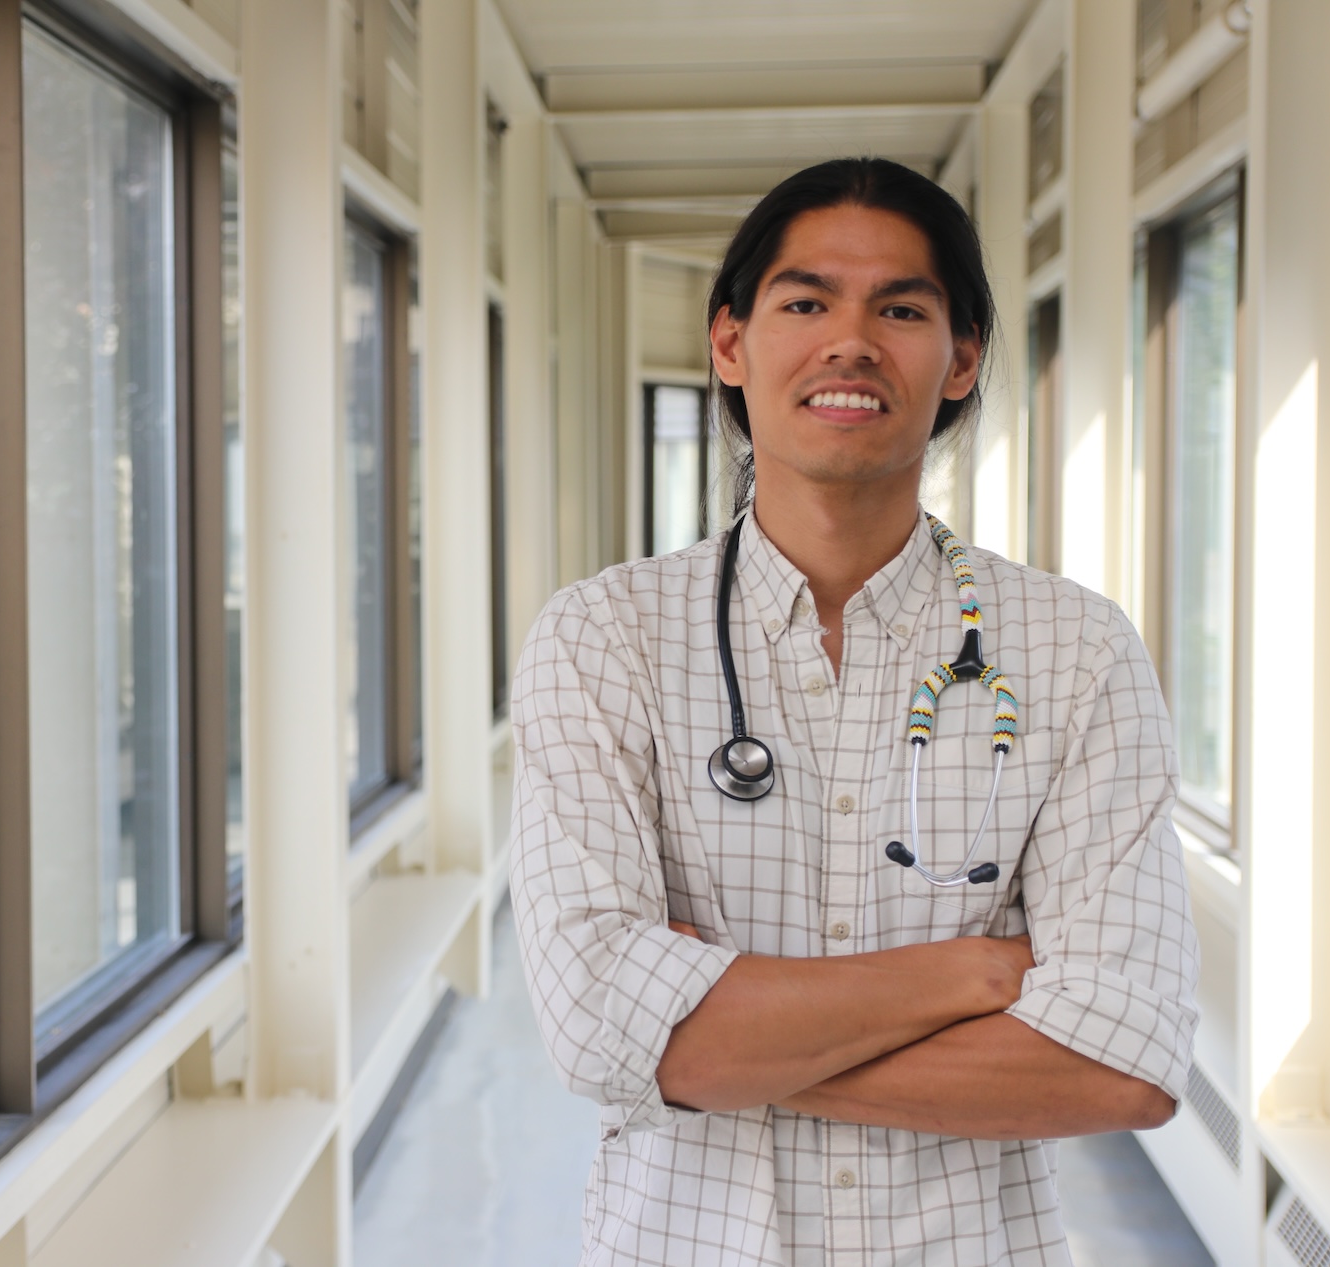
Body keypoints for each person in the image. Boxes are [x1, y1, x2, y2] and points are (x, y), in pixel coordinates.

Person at [508, 157, 1198, 1266]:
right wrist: (973, 976)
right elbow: (597, 1028)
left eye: (901, 308)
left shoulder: (1076, 652)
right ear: (730, 342)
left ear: (961, 357)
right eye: (805, 301)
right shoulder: (606, 639)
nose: (851, 342)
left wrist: (718, 1042)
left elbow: (1124, 1059)